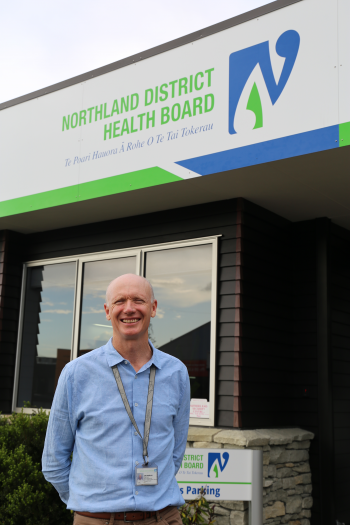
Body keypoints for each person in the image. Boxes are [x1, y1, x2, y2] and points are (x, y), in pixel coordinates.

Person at [42, 273, 191, 525]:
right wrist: (90, 508)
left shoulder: (176, 373)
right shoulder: (76, 374)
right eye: (120, 300)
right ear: (107, 310)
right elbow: (53, 461)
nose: (129, 308)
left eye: (138, 300)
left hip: (162, 518)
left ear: (153, 308)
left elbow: (175, 452)